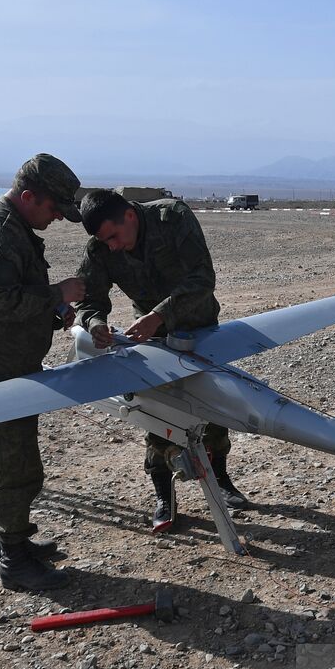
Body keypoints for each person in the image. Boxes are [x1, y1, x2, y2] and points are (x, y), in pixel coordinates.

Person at [0, 153, 85, 592]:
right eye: (52, 210)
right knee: (15, 467)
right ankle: (15, 561)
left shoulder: (12, 226)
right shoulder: (0, 231)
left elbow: (7, 304)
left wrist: (49, 314)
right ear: (28, 197)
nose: (56, 220)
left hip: (0, 363)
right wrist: (55, 293)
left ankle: (5, 543)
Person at [74, 189, 249, 531]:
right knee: (157, 415)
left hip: (200, 329)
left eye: (113, 236)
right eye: (103, 240)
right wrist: (96, 325)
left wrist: (160, 314)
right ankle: (163, 497)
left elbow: (202, 278)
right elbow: (88, 300)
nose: (111, 246)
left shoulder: (173, 217)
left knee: (214, 406)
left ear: (128, 216)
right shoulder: (101, 247)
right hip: (150, 339)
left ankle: (222, 481)